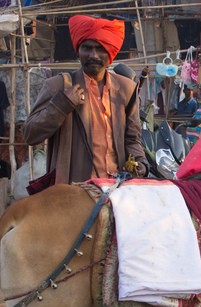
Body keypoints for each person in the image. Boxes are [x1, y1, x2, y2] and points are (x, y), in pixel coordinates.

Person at [23, 15, 148, 183]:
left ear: (110, 52)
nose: (93, 55)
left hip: (118, 187)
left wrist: (140, 162)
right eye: (87, 48)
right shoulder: (58, 86)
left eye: (100, 48)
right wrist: (62, 105)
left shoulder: (126, 89)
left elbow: (132, 138)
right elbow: (30, 134)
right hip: (74, 189)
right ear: (78, 50)